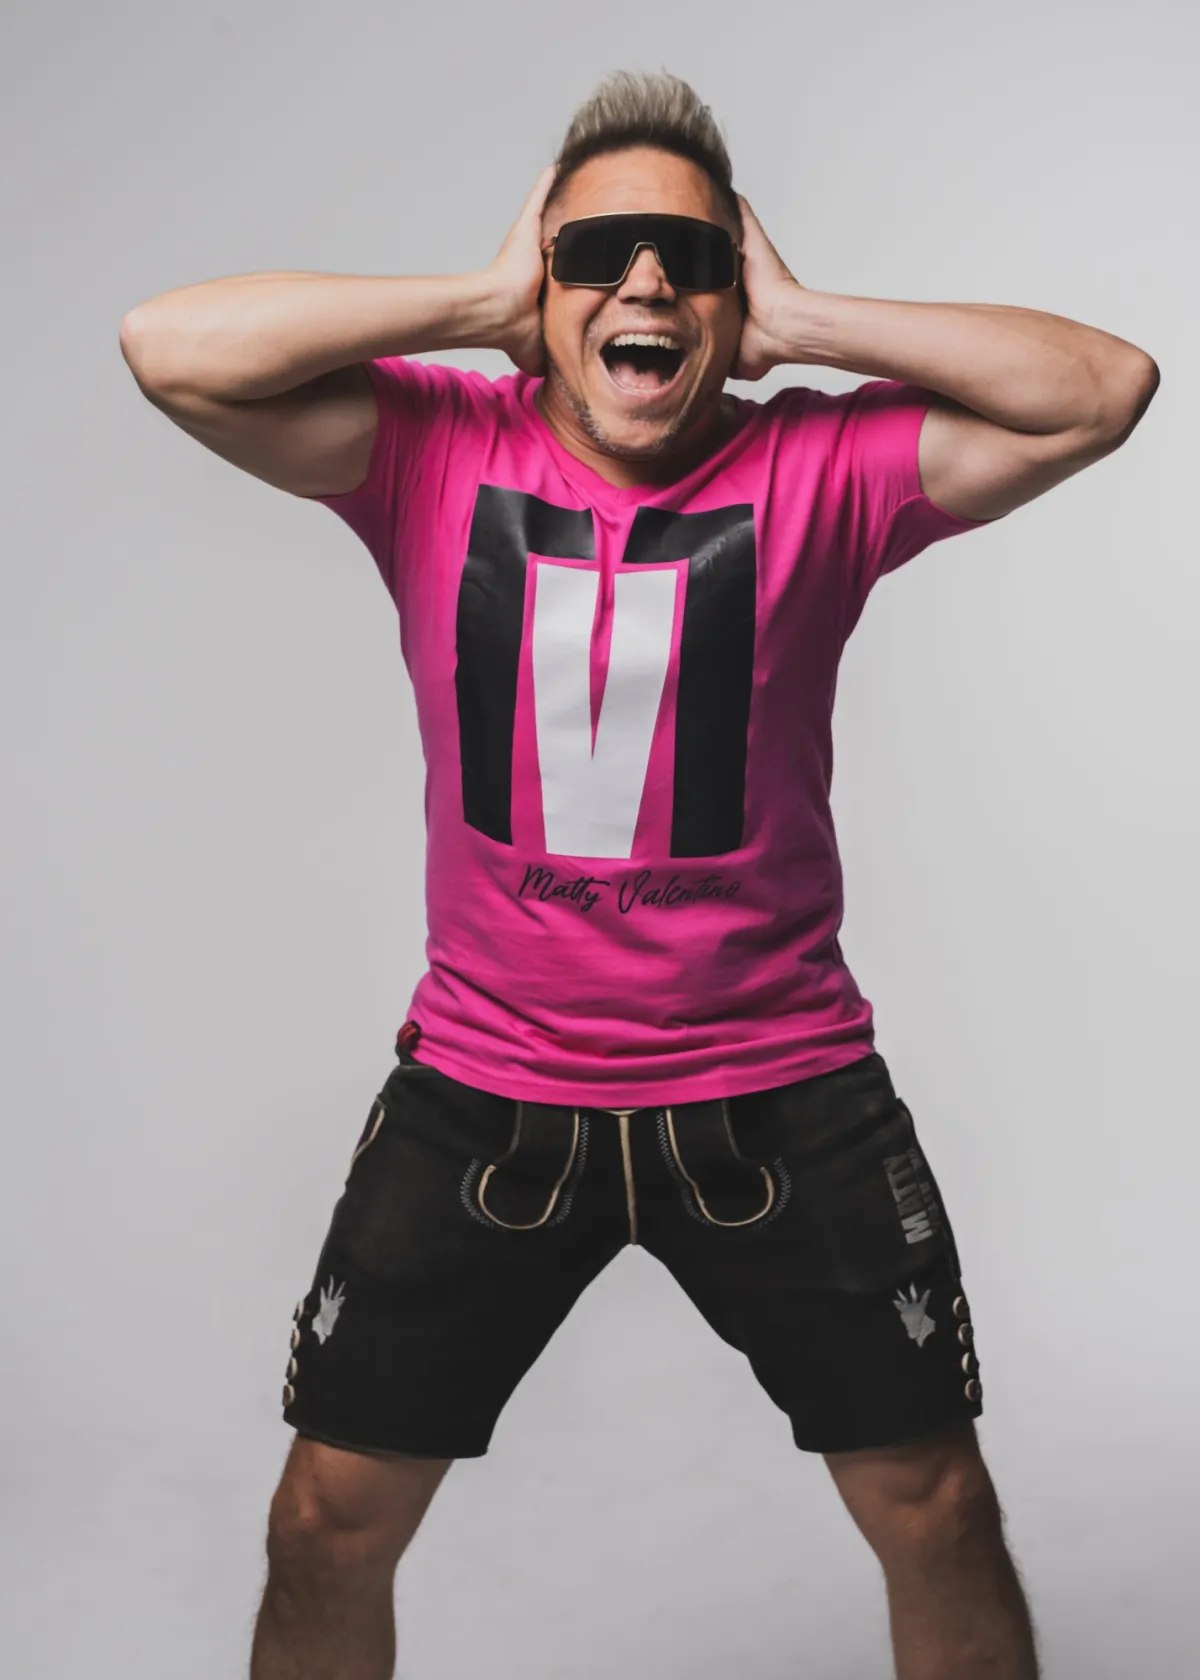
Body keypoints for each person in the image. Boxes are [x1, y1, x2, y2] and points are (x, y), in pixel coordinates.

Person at [120, 70, 1157, 1680]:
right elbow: (169, 347)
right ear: (543, 287)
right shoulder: (431, 447)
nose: (647, 285)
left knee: (939, 1509)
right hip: (489, 1083)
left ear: (736, 295)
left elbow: (1102, 388)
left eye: (693, 257)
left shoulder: (821, 469)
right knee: (324, 1522)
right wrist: (478, 301)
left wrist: (806, 321)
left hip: (780, 1084)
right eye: (598, 253)